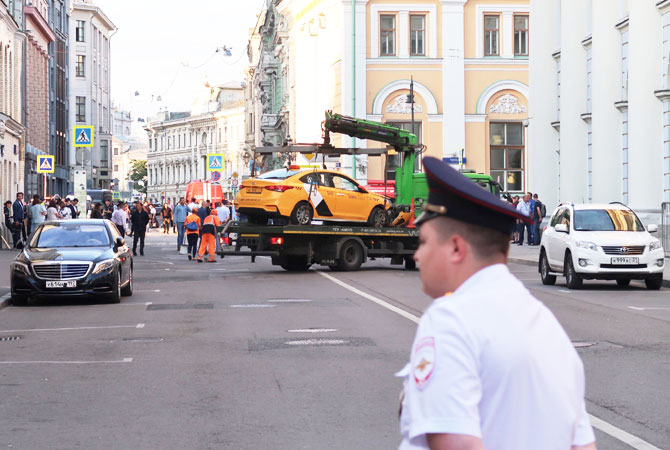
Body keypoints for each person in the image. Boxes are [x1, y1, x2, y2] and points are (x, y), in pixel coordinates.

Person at [398, 157, 596, 450]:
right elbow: (583, 445)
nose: (417, 255)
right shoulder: (548, 328)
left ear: (455, 247)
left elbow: (458, 444)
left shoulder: (451, 319)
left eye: (424, 241)